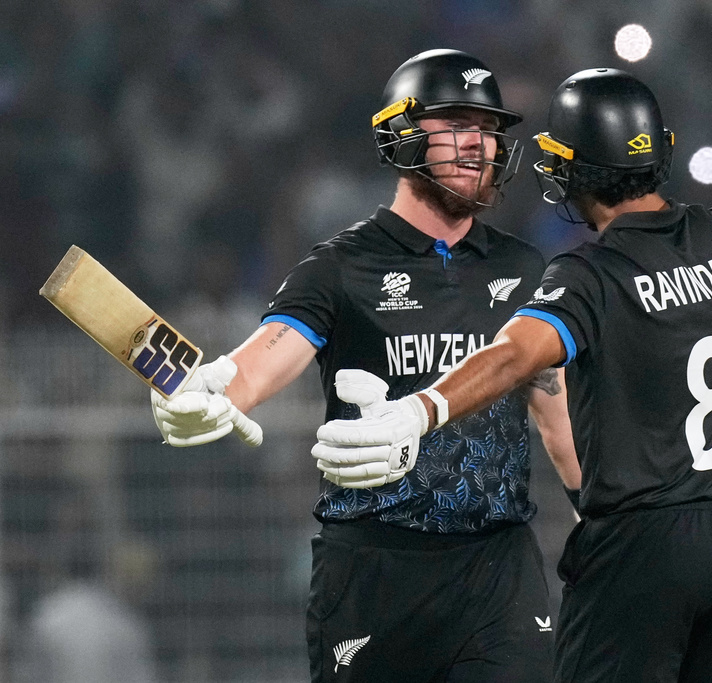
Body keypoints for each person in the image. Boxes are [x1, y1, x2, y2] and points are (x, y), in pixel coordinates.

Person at [311, 68, 712, 682]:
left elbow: (512, 355)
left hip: (646, 547)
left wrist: (418, 410)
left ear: (577, 168)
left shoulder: (591, 275)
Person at [151, 49, 579, 683]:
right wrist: (209, 393)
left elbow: (559, 422)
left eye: (487, 129)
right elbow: (256, 364)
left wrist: (608, 525)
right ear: (402, 135)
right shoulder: (340, 268)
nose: (479, 145)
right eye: (457, 124)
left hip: (500, 574)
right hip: (372, 574)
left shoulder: (525, 271)